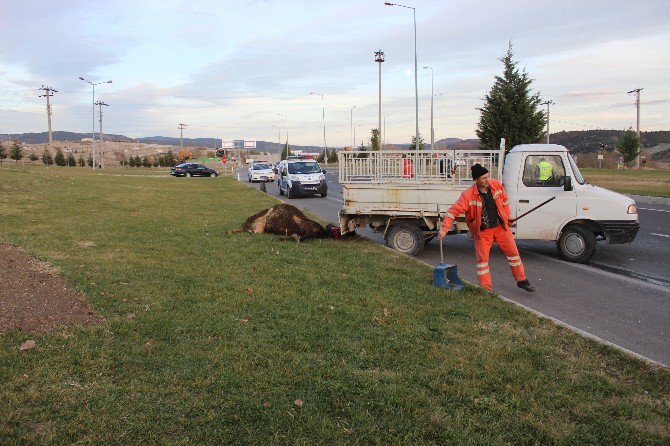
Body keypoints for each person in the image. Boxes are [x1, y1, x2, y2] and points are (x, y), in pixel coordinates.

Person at [438, 163, 535, 292]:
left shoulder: (496, 185)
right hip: (483, 232)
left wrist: (507, 217)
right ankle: (486, 290)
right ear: (476, 180)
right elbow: (452, 212)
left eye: (488, 176)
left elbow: (504, 202)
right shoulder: (467, 195)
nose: (487, 180)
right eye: (484, 178)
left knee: (514, 254)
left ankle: (522, 280)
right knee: (482, 262)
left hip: (501, 228)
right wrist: (444, 229)